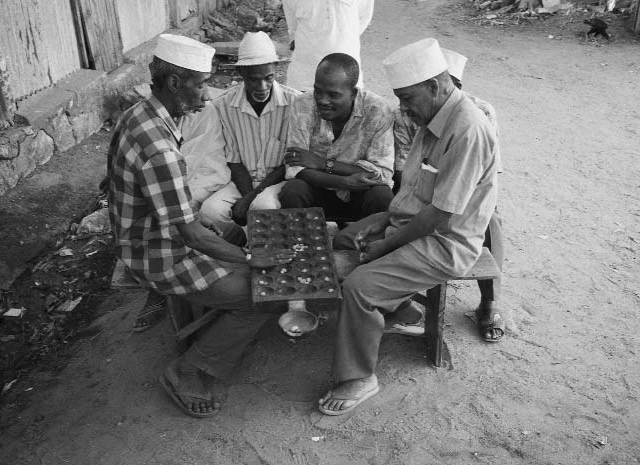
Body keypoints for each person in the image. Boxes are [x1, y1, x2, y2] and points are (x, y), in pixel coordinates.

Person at [107, 34, 295, 417]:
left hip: (149, 236)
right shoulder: (159, 148)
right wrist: (248, 257)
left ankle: (208, 334)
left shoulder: (140, 114)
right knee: (266, 294)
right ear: (175, 83)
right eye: (201, 83)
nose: (207, 95)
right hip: (156, 253)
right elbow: (188, 233)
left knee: (229, 234)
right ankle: (187, 369)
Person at [318, 39, 499, 415]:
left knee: (359, 286)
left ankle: (360, 376)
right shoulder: (432, 118)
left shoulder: (467, 129)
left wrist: (385, 245)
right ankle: (400, 310)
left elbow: (439, 216)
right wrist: (382, 220)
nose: (403, 108)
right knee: (340, 247)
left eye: (407, 98)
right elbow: (413, 193)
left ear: (435, 86)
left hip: (446, 244)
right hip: (418, 228)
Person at [390, 47, 505, 342]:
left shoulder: (478, 115)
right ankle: (400, 301)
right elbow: (405, 172)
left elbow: (480, 178)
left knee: (490, 219)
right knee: (391, 212)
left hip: (464, 196)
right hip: (419, 187)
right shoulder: (406, 115)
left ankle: (489, 302)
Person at [198, 31, 301, 227]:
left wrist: (251, 199)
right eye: (254, 79)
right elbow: (234, 161)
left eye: (268, 77)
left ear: (276, 70)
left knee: (263, 207)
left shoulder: (295, 103)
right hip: (241, 181)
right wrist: (248, 197)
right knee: (209, 213)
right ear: (241, 73)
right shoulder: (224, 105)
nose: (262, 86)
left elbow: (290, 162)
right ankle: (242, 246)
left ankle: (254, 243)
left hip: (277, 183)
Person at [279, 53, 394, 222]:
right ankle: (301, 245)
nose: (323, 100)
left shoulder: (378, 110)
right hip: (318, 188)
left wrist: (321, 163)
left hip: (360, 192)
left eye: (333, 95)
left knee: (381, 195)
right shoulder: (303, 104)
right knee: (293, 190)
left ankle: (367, 245)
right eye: (318, 91)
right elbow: (296, 168)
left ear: (353, 93)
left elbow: (382, 174)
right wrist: (344, 182)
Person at [282, 0, 374, 91]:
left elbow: (364, 16)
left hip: (346, 74)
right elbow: (293, 25)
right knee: (302, 103)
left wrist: (341, 38)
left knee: (346, 101)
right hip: (304, 77)